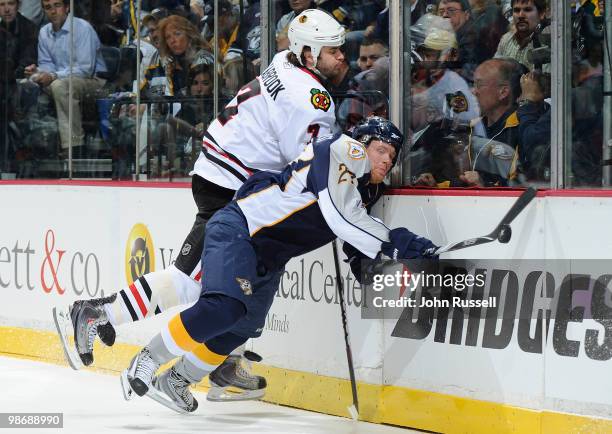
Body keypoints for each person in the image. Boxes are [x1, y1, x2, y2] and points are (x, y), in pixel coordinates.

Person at [53, 8, 347, 400]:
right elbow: (308, 165)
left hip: (223, 172)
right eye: (332, 50)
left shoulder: (283, 62)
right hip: (232, 186)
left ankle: (223, 362)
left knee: (240, 281)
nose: (341, 56)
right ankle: (97, 312)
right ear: (308, 54)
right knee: (191, 282)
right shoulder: (311, 96)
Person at [120, 117, 437, 413]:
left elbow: (353, 230)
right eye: (380, 149)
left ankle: (176, 380)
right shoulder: (344, 150)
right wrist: (402, 243)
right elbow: (343, 218)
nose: (386, 160)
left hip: (269, 257)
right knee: (224, 307)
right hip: (242, 230)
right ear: (362, 143)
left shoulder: (366, 188)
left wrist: (364, 264)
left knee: (240, 327)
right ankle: (146, 359)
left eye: (392, 156)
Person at [23, 0, 107, 158]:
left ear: (67, 7)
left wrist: (53, 76)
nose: (53, 11)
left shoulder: (82, 28)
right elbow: (47, 65)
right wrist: (38, 73)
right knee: (26, 85)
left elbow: (85, 69)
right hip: (60, 80)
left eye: (57, 5)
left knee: (60, 86)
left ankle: (74, 147)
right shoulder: (44, 32)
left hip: (95, 83)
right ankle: (31, 149)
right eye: (48, 7)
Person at [494, 0, 546, 71]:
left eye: (527, 10)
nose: (520, 15)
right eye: (516, 10)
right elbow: (495, 69)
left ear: (541, 14)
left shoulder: (546, 43)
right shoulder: (506, 39)